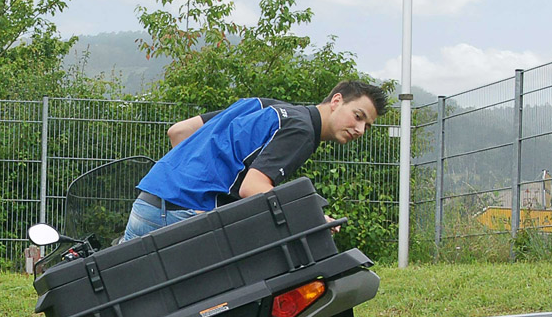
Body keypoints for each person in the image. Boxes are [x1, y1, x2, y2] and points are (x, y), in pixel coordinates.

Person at [122, 80, 388, 241]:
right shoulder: (303, 130)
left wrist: (185, 185)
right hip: (179, 215)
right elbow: (253, 187)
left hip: (147, 204)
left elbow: (179, 132)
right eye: (358, 116)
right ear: (336, 101)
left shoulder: (264, 106)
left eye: (367, 125)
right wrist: (311, 216)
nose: (360, 130)